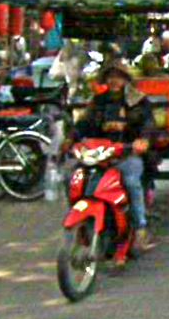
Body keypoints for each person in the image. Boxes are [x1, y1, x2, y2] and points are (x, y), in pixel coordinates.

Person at [65, 60, 155, 257]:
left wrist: (142, 140)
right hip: (100, 154)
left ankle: (140, 227)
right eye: (111, 77)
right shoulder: (99, 101)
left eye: (118, 77)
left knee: (131, 182)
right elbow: (84, 123)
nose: (114, 81)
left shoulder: (138, 101)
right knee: (75, 178)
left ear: (125, 80)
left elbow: (148, 123)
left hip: (127, 153)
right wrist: (71, 138)